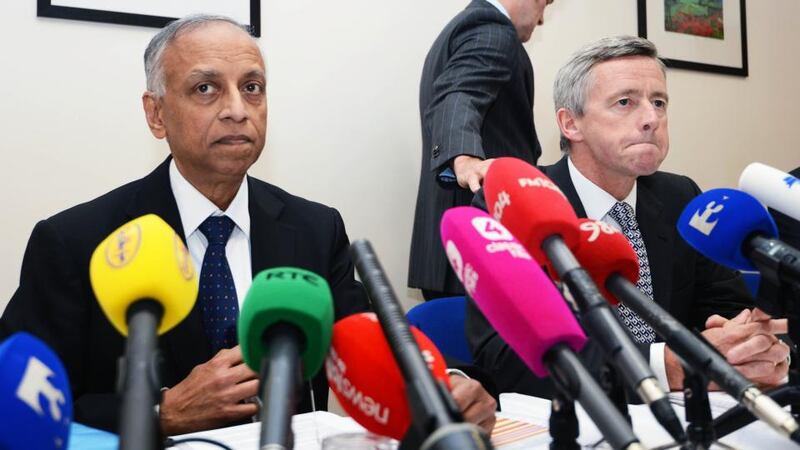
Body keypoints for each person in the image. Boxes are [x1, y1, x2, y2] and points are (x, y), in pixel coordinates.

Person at [0, 15, 495, 435]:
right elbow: (20, 408)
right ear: (156, 114)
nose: (237, 110)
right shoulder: (76, 241)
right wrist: (162, 413)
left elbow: (368, 346)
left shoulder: (315, 228)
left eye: (252, 88)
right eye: (206, 88)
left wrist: (444, 382)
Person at [467, 36, 790, 397]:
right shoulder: (511, 205)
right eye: (625, 102)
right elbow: (505, 357)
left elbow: (728, 307)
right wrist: (667, 366)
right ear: (570, 123)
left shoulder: (681, 197)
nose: (652, 118)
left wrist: (752, 346)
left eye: (659, 102)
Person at [409, 0, 553, 300]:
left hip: (450, 251)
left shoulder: (468, 25)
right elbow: (459, 95)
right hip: (479, 248)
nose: (542, 20)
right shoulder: (493, 30)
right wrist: (464, 156)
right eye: (546, 2)